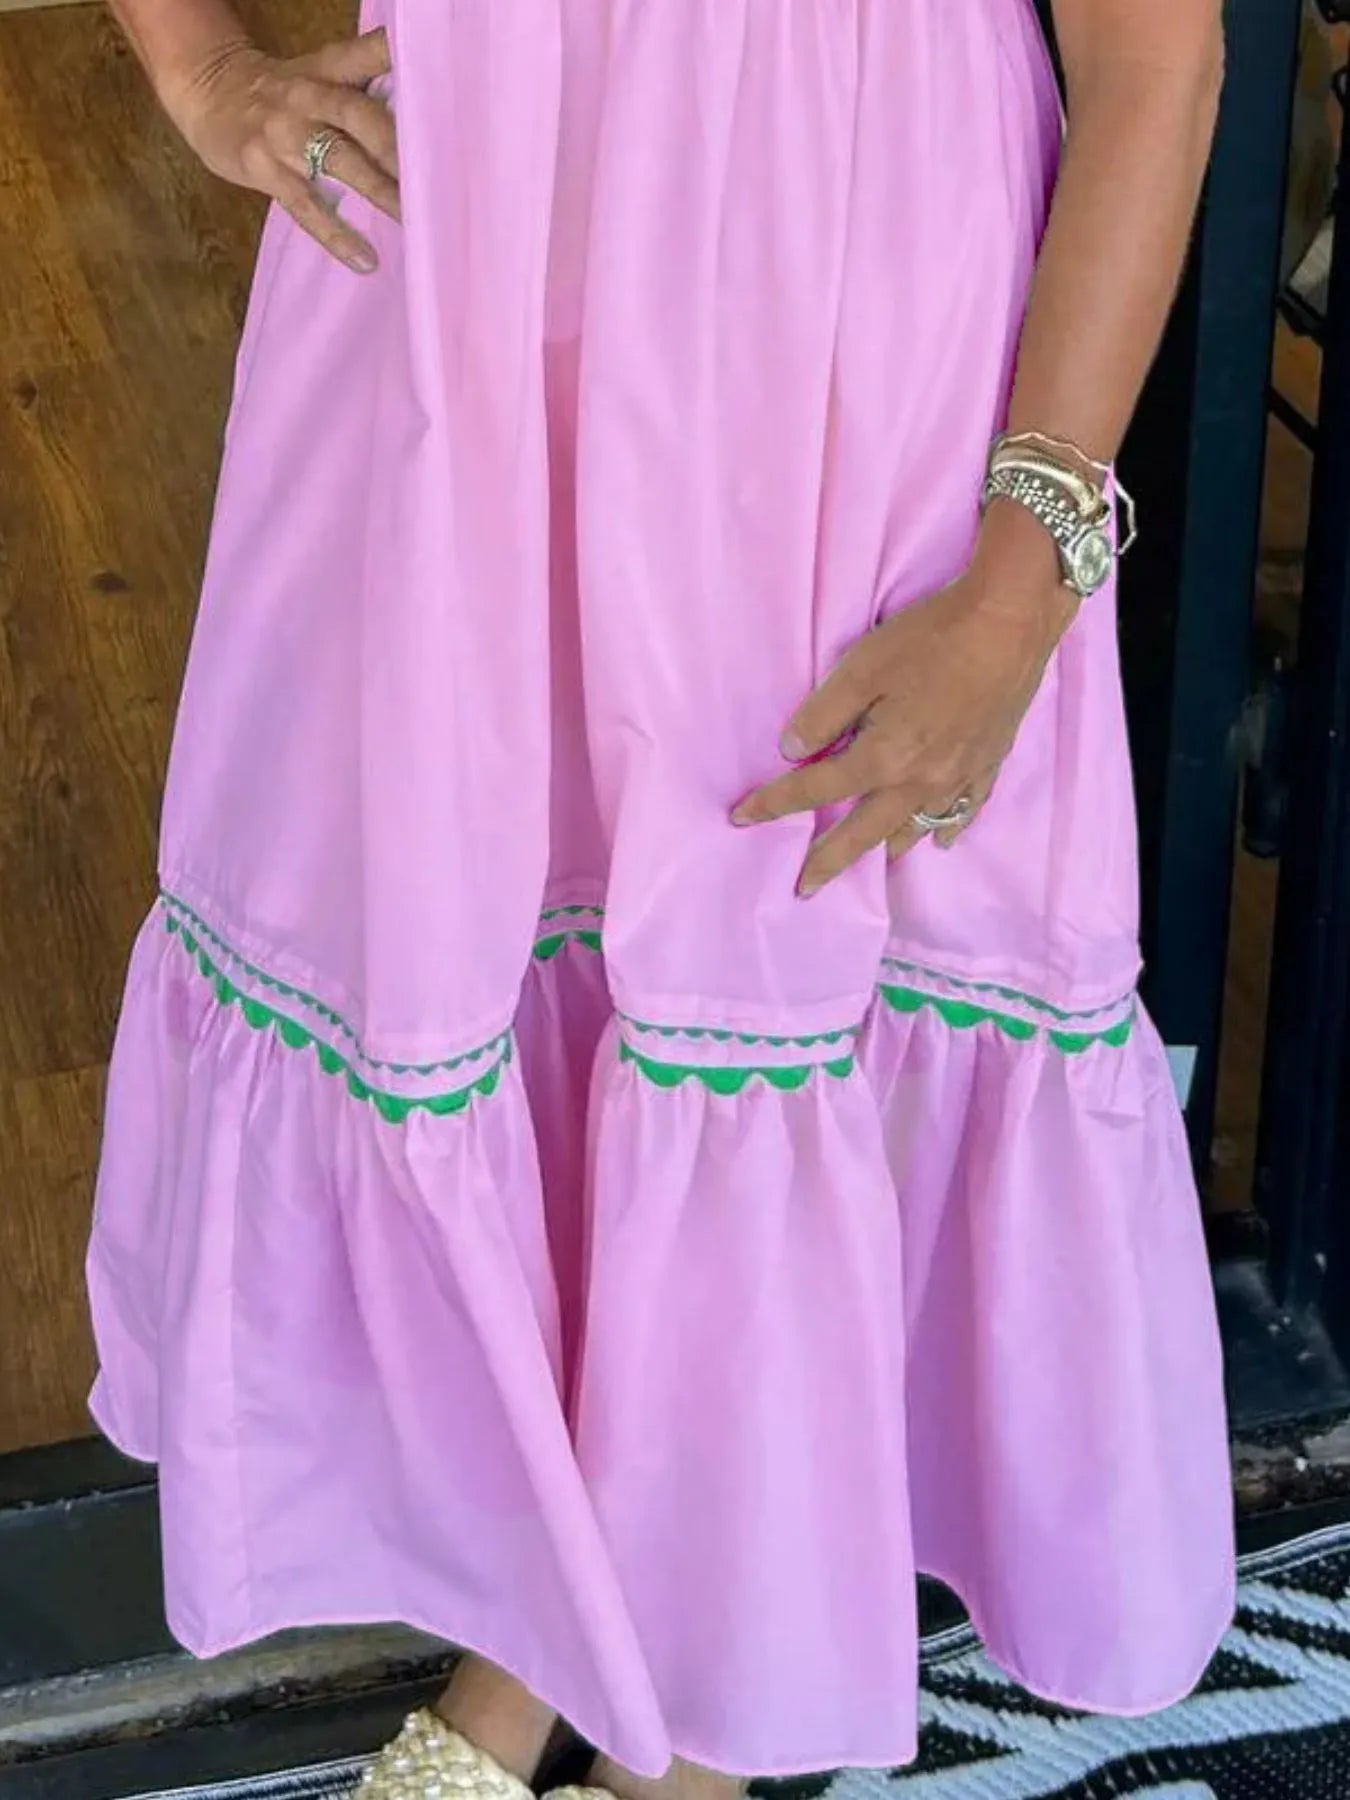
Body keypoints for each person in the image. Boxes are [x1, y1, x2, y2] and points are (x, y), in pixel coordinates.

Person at [87, 2, 1236, 1797]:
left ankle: (694, 1731)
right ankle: (551, 1648)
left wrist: (1022, 581)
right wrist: (201, 71)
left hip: (836, 345)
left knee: (748, 961)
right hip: (469, 310)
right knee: (494, 941)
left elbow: (1155, 61)